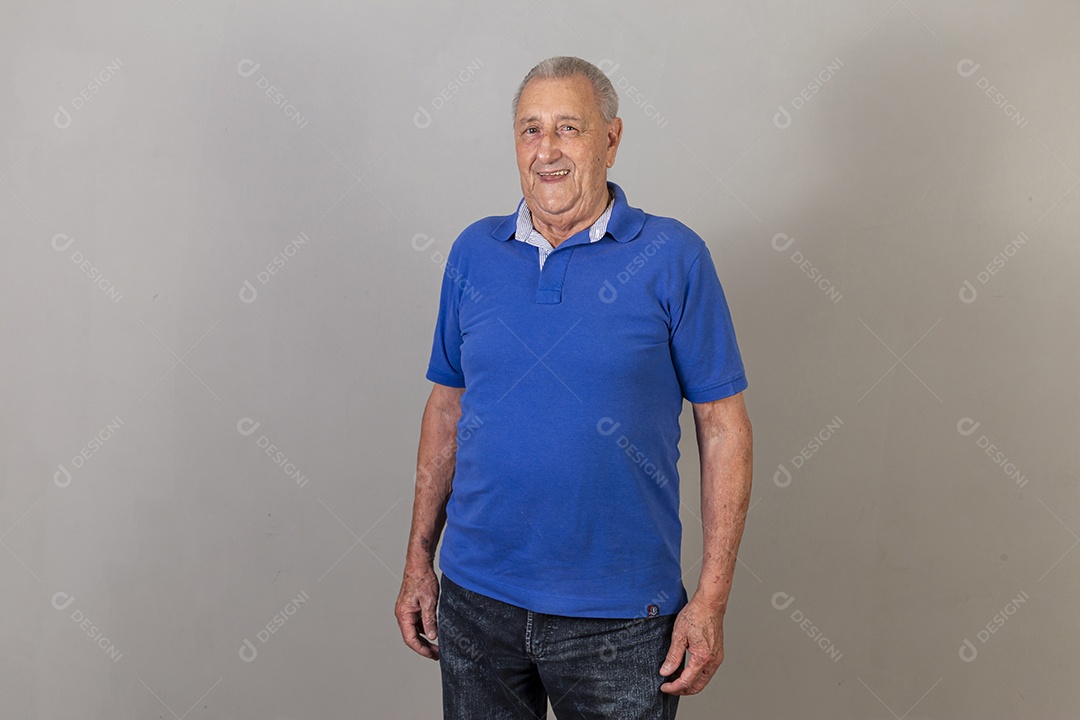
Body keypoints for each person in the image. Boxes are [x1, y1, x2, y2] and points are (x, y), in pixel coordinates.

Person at [395, 55, 753, 720]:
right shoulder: (475, 252)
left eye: (569, 128)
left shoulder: (672, 257)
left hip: (619, 622)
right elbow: (447, 407)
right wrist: (420, 562)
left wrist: (709, 601)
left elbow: (723, 426)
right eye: (531, 130)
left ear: (611, 139)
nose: (548, 151)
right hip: (475, 602)